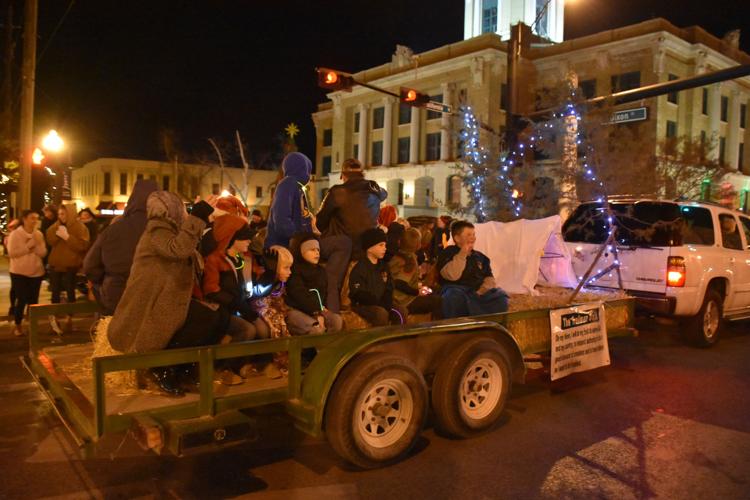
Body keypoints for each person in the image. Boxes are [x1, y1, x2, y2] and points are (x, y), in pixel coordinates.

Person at [83, 179, 159, 315]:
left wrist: (101, 282)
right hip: (152, 299)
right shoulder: (163, 230)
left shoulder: (113, 229)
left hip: (116, 297)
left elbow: (90, 265)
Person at [438, 221, 509, 318]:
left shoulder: (480, 257)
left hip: (477, 293)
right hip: (457, 290)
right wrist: (463, 254)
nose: (473, 238)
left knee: (501, 296)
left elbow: (489, 278)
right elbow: (452, 276)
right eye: (468, 234)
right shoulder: (447, 253)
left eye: (473, 234)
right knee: (453, 296)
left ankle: (487, 326)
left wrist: (481, 291)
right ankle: (458, 329)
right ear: (457, 238)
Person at [285, 232, 343, 335]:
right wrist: (316, 312)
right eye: (312, 250)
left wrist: (322, 310)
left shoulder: (321, 271)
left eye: (318, 250)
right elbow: (298, 293)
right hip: (297, 309)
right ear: (302, 251)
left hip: (317, 308)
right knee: (315, 328)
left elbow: (323, 293)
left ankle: (327, 348)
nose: (317, 253)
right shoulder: (294, 270)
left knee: (336, 321)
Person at [46, 204, 90, 334]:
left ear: (69, 214)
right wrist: (58, 233)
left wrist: (68, 237)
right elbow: (50, 240)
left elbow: (82, 245)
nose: (61, 216)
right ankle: (54, 318)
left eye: (63, 214)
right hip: (55, 264)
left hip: (71, 265)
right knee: (55, 292)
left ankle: (69, 317)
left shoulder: (80, 227)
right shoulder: (55, 226)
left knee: (70, 290)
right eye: (59, 214)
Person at [348, 228, 406, 326]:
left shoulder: (384, 266)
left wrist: (386, 301)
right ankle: (381, 340)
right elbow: (358, 293)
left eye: (385, 245)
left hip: (382, 303)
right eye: (381, 245)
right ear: (369, 248)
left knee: (401, 311)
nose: (385, 248)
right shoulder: (360, 268)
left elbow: (389, 286)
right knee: (380, 313)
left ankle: (396, 339)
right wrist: (377, 302)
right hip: (364, 305)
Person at [7, 210, 46, 336]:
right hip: (19, 272)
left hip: (36, 272)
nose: (35, 220)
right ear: (24, 219)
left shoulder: (38, 234)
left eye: (36, 218)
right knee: (22, 298)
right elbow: (12, 253)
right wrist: (28, 247)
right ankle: (18, 325)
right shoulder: (15, 234)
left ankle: (32, 324)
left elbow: (43, 252)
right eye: (32, 218)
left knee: (33, 301)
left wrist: (37, 248)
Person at [389, 228, 442, 319]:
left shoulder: (396, 255)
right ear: (418, 245)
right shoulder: (409, 261)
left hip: (394, 297)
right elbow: (400, 283)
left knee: (435, 290)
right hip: (404, 300)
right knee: (438, 300)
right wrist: (417, 292)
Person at [265, 152, 313, 248]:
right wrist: (297, 236)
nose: (309, 174)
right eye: (308, 170)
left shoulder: (298, 187)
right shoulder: (288, 183)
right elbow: (281, 217)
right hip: (282, 246)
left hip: (292, 245)